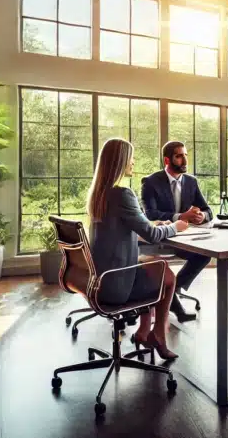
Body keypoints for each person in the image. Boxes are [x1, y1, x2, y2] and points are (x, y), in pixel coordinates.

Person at [87, 138, 189, 360]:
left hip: (98, 280)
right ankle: (159, 335)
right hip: (115, 285)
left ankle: (144, 331)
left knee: (152, 264)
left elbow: (133, 227)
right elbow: (151, 235)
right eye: (130, 157)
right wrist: (176, 226)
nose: (133, 161)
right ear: (121, 161)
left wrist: (155, 225)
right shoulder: (122, 194)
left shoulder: (99, 194)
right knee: (167, 277)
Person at [140, 141, 214, 322]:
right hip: (161, 238)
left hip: (185, 238)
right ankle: (173, 300)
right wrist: (181, 216)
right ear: (167, 160)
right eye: (179, 156)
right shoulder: (150, 182)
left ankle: (171, 292)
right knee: (198, 254)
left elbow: (208, 211)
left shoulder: (191, 181)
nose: (184, 160)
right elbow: (150, 214)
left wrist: (201, 217)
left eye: (185, 155)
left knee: (204, 254)